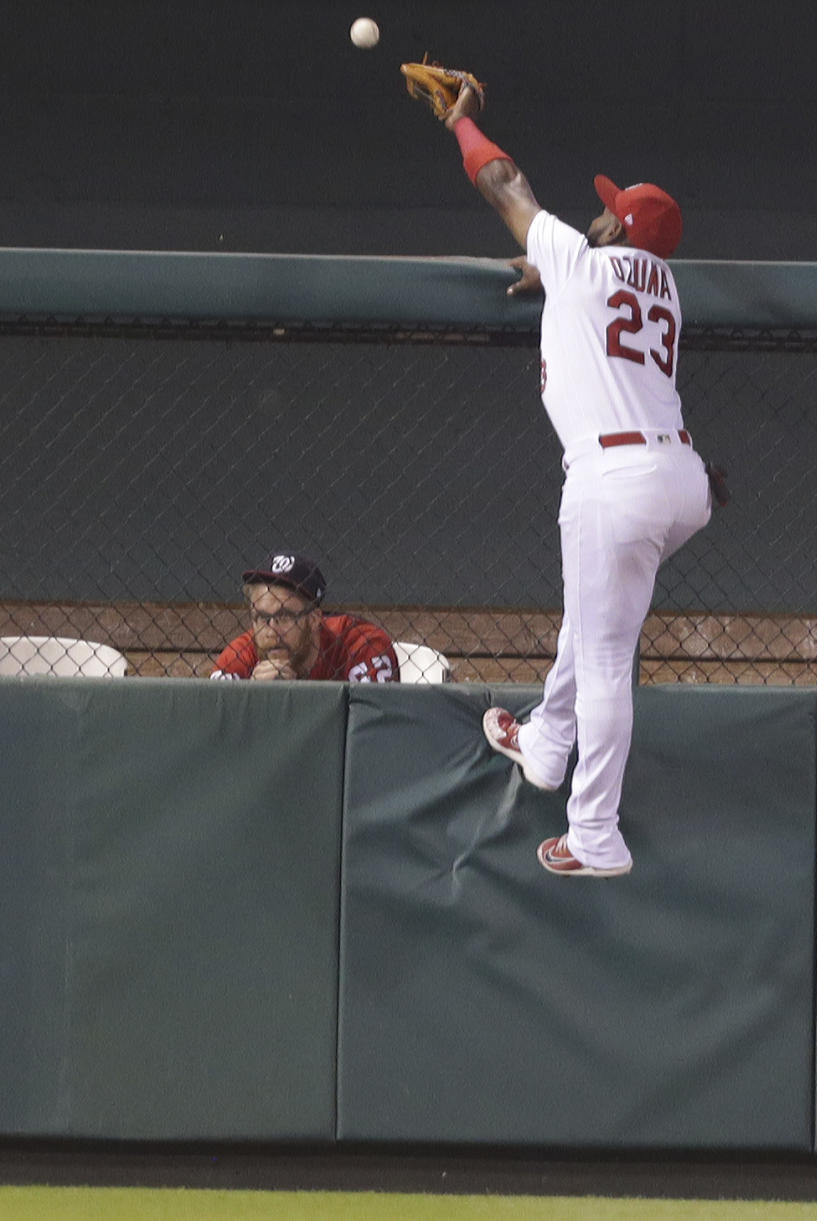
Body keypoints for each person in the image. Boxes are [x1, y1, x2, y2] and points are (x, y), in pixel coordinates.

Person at [426, 81, 714, 877]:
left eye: (610, 209)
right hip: (676, 478)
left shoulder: (582, 261)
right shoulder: (665, 288)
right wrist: (555, 275)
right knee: (594, 618)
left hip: (616, 477)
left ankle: (596, 834)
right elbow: (599, 298)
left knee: (608, 652)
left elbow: (503, 183)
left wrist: (463, 124)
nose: (599, 212)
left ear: (618, 226)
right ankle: (547, 743)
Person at [211, 552, 399, 683]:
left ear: (314, 618)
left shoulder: (360, 644)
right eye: (261, 617)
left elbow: (375, 733)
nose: (270, 630)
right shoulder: (240, 655)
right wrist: (251, 697)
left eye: (284, 617)